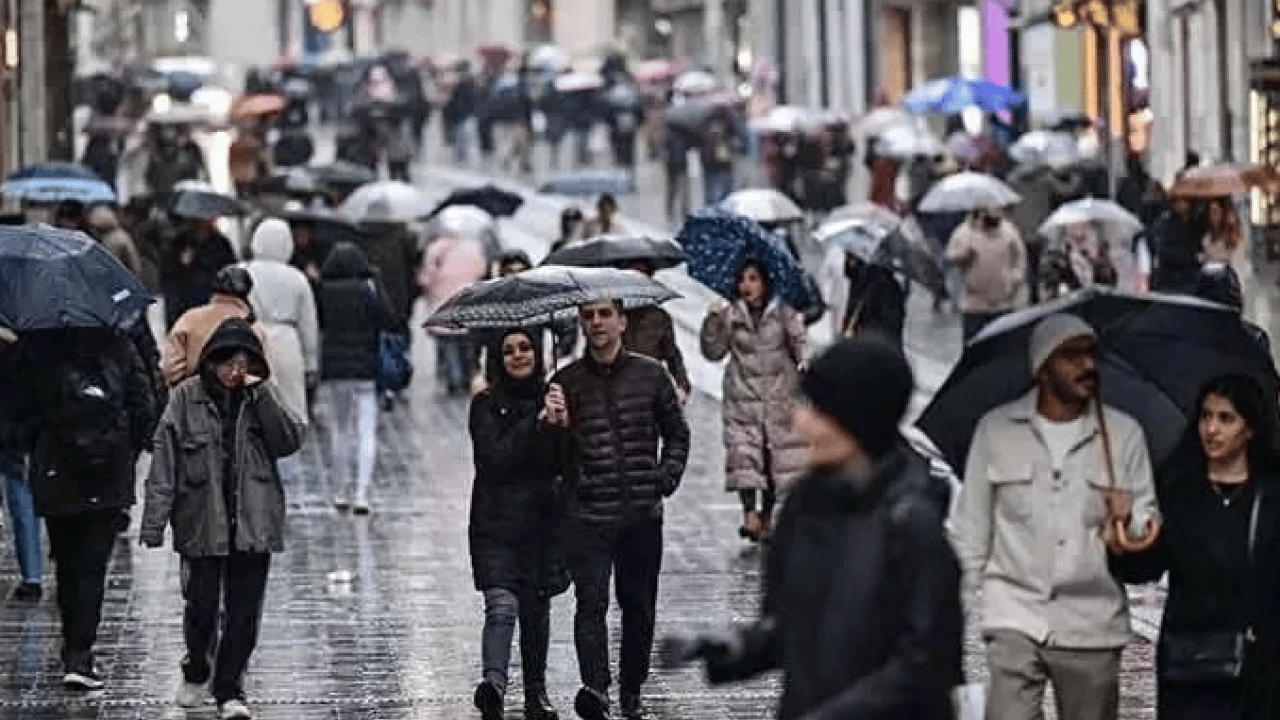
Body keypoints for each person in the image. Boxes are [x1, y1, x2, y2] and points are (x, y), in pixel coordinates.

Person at [663, 337, 963, 720]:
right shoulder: (805, 506)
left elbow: (925, 664)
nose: (799, 421)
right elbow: (791, 628)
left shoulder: (913, 522)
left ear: (857, 421)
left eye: (818, 411)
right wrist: (733, 647)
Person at [952, 314, 1161, 720]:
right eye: (1071, 356)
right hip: (1014, 614)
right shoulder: (995, 431)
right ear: (1042, 368)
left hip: (1093, 623)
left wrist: (1128, 518)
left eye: (1090, 354)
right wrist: (954, 620)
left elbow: (1146, 525)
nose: (1087, 366)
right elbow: (971, 533)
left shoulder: (1124, 435)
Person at [142, 318, 304, 720]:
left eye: (244, 362)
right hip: (201, 520)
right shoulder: (185, 398)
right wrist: (154, 523)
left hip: (253, 521)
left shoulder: (260, 396)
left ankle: (230, 688)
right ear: (211, 361)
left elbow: (290, 439)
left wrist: (262, 391)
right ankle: (197, 668)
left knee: (244, 613)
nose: (235, 370)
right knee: (201, 607)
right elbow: (165, 461)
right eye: (227, 361)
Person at [544, 297, 691, 720]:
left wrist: (664, 479)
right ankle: (596, 689)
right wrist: (554, 424)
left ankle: (631, 690)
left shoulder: (651, 375)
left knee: (639, 605)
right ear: (581, 325)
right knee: (591, 604)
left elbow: (677, 434)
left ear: (622, 322)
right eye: (588, 316)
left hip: (642, 515)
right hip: (588, 515)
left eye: (605, 314)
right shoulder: (565, 382)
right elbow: (554, 460)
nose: (597, 323)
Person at [1111, 374, 1280, 720]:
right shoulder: (1177, 492)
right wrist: (1121, 539)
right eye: (1205, 416)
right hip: (1190, 662)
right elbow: (1146, 568)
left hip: (1259, 665)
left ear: (1250, 429)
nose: (1212, 429)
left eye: (1225, 418)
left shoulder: (1272, 494)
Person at [4, 327, 157, 690]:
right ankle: (80, 653)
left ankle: (72, 647)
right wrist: (129, 450)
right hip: (108, 470)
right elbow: (143, 405)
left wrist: (23, 449)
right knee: (92, 565)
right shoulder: (118, 344)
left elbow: (14, 411)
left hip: (55, 469)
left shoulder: (35, 347)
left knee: (67, 560)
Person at [468, 328, 568, 720]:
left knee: (536, 610)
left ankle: (535, 693)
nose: (518, 356)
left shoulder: (554, 396)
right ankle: (493, 684)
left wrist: (561, 425)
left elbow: (562, 465)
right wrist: (536, 424)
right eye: (509, 350)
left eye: (525, 347)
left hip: (543, 523)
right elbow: (494, 460)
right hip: (495, 522)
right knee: (501, 605)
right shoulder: (485, 404)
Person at [699, 259, 808, 542]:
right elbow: (713, 352)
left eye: (753, 279)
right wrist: (712, 322)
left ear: (766, 282)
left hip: (778, 397)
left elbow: (800, 341)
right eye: (742, 279)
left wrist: (805, 362)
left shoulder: (783, 311)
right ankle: (749, 513)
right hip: (742, 397)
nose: (746, 286)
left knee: (772, 457)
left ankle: (767, 517)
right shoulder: (730, 313)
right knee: (744, 457)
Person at [316, 243, 400, 514]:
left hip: (336, 370)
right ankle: (363, 494)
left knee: (340, 430)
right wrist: (377, 283)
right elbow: (390, 319)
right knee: (366, 431)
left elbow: (319, 324)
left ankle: (340, 491)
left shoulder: (324, 292)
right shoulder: (368, 289)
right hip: (365, 369)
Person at [241, 218, 320, 426]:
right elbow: (308, 324)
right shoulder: (297, 278)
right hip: (287, 342)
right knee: (289, 408)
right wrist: (311, 364)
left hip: (250, 339)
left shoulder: (242, 272)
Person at [162, 267, 267, 388]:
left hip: (197, 392)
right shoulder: (253, 325)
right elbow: (264, 372)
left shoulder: (189, 318)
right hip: (240, 393)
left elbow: (171, 369)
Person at [0, 327, 40, 601]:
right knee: (22, 502)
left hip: (14, 435)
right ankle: (32, 574)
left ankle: (33, 574)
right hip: (17, 434)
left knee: (22, 500)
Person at [945, 207, 1026, 341]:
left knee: (1004, 347)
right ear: (981, 213)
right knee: (974, 346)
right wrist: (964, 256)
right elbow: (949, 258)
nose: (997, 213)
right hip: (974, 305)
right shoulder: (963, 232)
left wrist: (1015, 279)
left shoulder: (1009, 230)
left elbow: (1019, 256)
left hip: (1003, 303)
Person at [619, 260, 690, 402]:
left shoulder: (659, 317)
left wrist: (682, 385)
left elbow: (672, 354)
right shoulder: (611, 314)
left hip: (648, 389)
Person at [840, 253, 906, 348]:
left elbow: (855, 308)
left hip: (870, 341)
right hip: (879, 343)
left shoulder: (869, 281)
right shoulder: (892, 286)